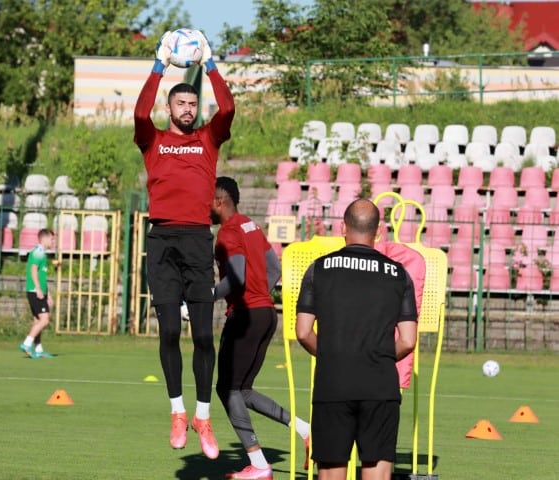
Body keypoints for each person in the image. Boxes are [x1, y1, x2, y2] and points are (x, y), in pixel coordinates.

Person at [133, 30, 235, 459]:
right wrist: (159, 65)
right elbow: (140, 112)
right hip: (162, 240)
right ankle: (177, 410)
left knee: (205, 337)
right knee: (171, 331)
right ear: (170, 108)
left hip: (196, 240)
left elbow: (228, 108)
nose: (188, 109)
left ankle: (202, 416)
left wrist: (209, 63)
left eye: (193, 104)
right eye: (181, 104)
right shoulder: (153, 140)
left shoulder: (207, 140)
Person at [295, 198, 418, 480]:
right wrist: (378, 356)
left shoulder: (318, 269)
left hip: (333, 383)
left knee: (330, 472)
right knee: (378, 471)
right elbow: (408, 340)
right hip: (380, 385)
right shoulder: (399, 274)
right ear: (379, 231)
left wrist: (332, 355)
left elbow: (303, 331)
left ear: (343, 228)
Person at [211, 177, 310, 480]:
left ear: (218, 201)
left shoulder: (228, 231)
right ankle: (306, 430)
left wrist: (207, 297)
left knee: (227, 389)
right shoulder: (250, 225)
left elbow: (237, 277)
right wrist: (259, 298)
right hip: (265, 314)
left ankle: (259, 465)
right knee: (242, 390)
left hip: (246, 317)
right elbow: (274, 268)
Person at [19, 228, 56, 359]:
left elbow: (41, 275)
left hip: (38, 291)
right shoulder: (38, 252)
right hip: (35, 291)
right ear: (44, 238)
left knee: (38, 321)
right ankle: (26, 343)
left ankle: (38, 349)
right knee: (45, 320)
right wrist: (38, 289)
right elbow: (33, 270)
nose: (53, 241)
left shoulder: (41, 252)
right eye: (51, 239)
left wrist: (48, 294)